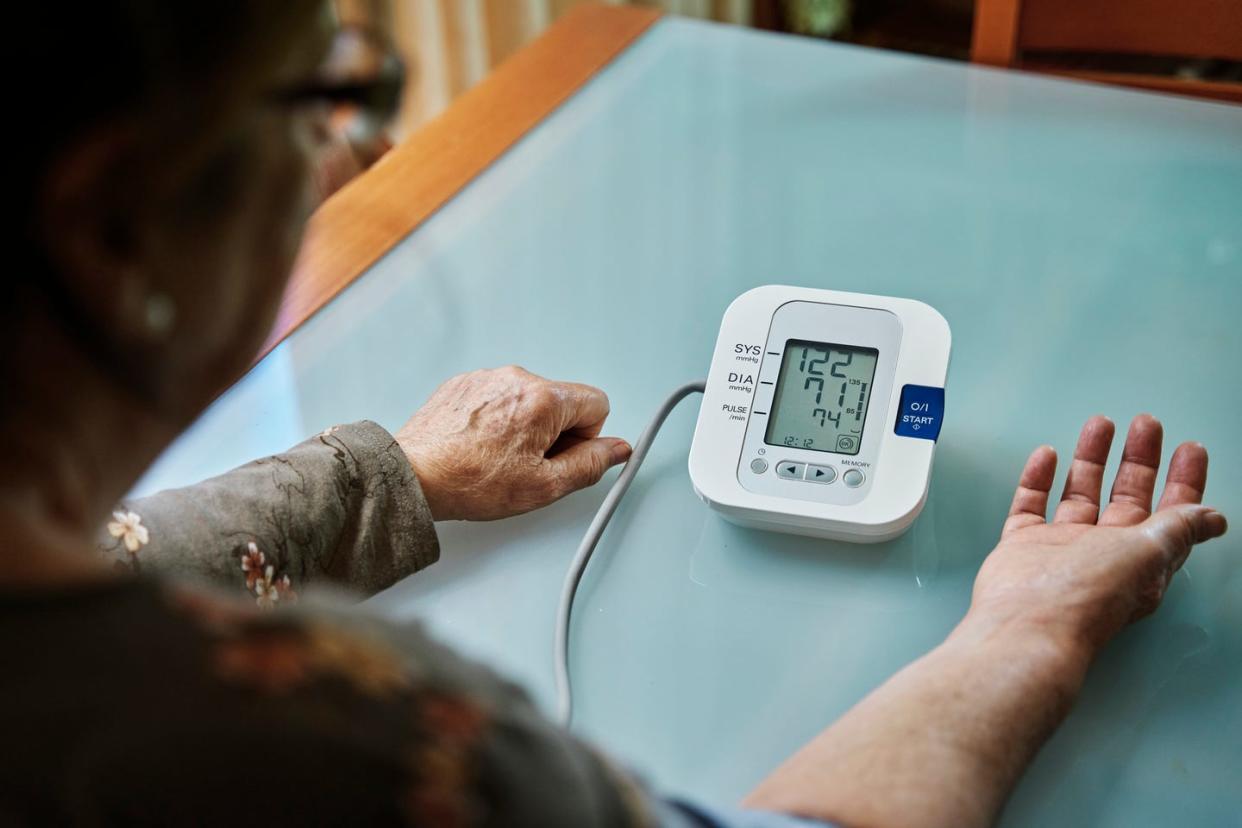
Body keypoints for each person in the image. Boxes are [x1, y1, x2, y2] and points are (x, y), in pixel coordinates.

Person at [2, 3, 1227, 826]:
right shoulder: (350, 743)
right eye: (321, 101)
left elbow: (123, 547)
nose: (343, 160)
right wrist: (1024, 636)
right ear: (108, 228)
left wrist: (389, 477)